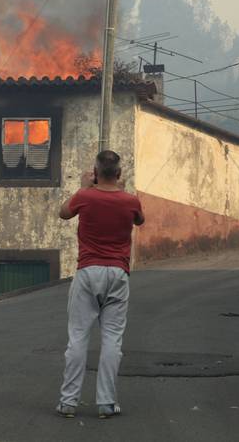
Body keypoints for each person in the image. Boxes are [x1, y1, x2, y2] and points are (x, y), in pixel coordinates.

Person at [55, 150, 145, 420]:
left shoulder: (84, 196)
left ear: (95, 173)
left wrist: (84, 187)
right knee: (112, 340)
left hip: (88, 271)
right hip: (118, 273)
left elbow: (63, 213)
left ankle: (68, 402)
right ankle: (106, 403)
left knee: (78, 338)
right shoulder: (131, 201)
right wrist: (122, 189)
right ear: (118, 174)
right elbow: (139, 220)